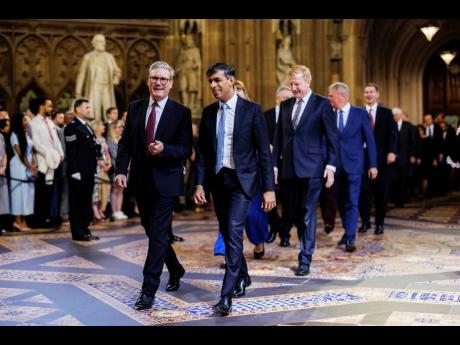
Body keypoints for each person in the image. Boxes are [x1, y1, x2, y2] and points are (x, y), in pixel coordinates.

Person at [194, 63, 276, 316]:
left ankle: (225, 296)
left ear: (231, 80)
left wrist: (268, 189)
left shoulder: (251, 110)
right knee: (228, 231)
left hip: (243, 182)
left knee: (233, 231)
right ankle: (243, 275)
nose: (213, 86)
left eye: (217, 80)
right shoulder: (208, 113)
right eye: (210, 82)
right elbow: (203, 155)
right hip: (219, 182)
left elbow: (263, 152)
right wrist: (200, 183)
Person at [115, 61, 193, 311]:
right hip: (141, 181)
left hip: (167, 182)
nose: (158, 82)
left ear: (171, 83)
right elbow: (125, 142)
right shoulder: (135, 108)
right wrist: (120, 170)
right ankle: (176, 268)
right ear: (148, 81)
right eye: (154, 78)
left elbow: (185, 149)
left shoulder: (181, 112)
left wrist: (164, 149)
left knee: (158, 236)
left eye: (163, 79)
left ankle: (148, 291)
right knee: (152, 231)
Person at [272, 65, 339, 276]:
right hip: (289, 169)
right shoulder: (285, 106)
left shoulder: (322, 104)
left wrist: (330, 166)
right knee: (296, 214)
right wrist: (274, 166)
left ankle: (305, 258)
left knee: (308, 212)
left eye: (297, 84)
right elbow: (278, 138)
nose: (293, 88)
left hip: (313, 168)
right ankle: (303, 248)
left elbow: (332, 137)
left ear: (307, 82)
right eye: (291, 84)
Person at [327, 82, 377, 252]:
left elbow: (370, 141)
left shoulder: (360, 114)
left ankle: (350, 237)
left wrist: (373, 165)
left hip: (355, 165)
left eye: (331, 95)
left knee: (352, 201)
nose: (329, 98)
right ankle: (348, 230)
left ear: (341, 95)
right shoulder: (329, 114)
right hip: (335, 167)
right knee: (340, 202)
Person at [358, 83, 397, 235]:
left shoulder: (386, 113)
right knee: (363, 193)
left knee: (381, 194)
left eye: (371, 92)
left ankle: (379, 224)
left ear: (377, 94)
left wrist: (392, 151)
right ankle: (365, 222)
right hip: (362, 160)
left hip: (382, 161)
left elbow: (393, 134)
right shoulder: (358, 112)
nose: (368, 94)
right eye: (366, 92)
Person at [64, 99, 100, 242]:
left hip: (88, 170)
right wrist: (74, 171)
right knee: (76, 202)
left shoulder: (87, 126)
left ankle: (85, 229)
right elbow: (71, 151)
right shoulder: (72, 127)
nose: (89, 109)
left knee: (86, 201)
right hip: (78, 171)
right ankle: (77, 232)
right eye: (86, 107)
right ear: (77, 109)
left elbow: (93, 146)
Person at [29, 97, 64, 228]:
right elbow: (37, 145)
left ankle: (47, 217)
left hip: (54, 161)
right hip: (43, 162)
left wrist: (60, 153)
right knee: (41, 193)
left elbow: (56, 140)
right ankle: (39, 219)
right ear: (41, 106)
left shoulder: (49, 122)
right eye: (49, 106)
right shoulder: (34, 123)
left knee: (49, 192)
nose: (51, 108)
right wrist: (52, 155)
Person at [264, 86, 293, 244]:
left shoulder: (294, 116)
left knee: (289, 201)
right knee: (269, 199)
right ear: (277, 99)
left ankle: (285, 233)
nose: (289, 102)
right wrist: (267, 146)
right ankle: (274, 226)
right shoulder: (265, 115)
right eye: (286, 99)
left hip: (289, 165)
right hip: (269, 165)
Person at [75, 34, 121, 122]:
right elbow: (81, 74)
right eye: (100, 41)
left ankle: (109, 128)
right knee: (94, 110)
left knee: (109, 109)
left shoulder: (109, 56)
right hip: (94, 86)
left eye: (104, 41)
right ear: (94, 43)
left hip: (107, 86)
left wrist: (116, 79)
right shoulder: (88, 57)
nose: (103, 43)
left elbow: (117, 71)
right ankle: (95, 127)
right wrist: (78, 92)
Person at [9, 113, 37, 232]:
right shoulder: (15, 135)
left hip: (29, 165)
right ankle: (17, 221)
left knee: (28, 194)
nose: (26, 122)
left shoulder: (28, 134)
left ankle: (24, 220)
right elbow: (19, 153)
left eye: (26, 120)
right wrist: (30, 166)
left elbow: (33, 150)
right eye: (24, 120)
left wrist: (35, 164)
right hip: (18, 166)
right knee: (19, 193)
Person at [91, 120, 112, 221]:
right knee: (96, 190)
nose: (104, 127)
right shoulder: (93, 139)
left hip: (105, 167)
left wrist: (109, 163)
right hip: (97, 168)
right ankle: (95, 210)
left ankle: (101, 209)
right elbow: (92, 153)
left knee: (105, 188)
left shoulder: (103, 139)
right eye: (101, 126)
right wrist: (101, 163)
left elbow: (106, 152)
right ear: (96, 127)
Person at [107, 120, 128, 220]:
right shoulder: (110, 140)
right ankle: (114, 211)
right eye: (119, 127)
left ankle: (119, 210)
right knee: (115, 190)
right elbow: (115, 155)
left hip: (125, 169)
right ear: (113, 128)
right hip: (116, 169)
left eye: (122, 127)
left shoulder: (122, 138)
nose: (121, 129)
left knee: (121, 190)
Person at [176, 34, 202, 110]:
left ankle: (191, 105)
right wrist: (177, 69)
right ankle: (184, 104)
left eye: (189, 40)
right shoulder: (183, 51)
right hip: (183, 71)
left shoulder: (195, 50)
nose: (187, 42)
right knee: (183, 88)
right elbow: (179, 62)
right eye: (186, 40)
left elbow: (198, 62)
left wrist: (196, 65)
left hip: (192, 72)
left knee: (192, 88)